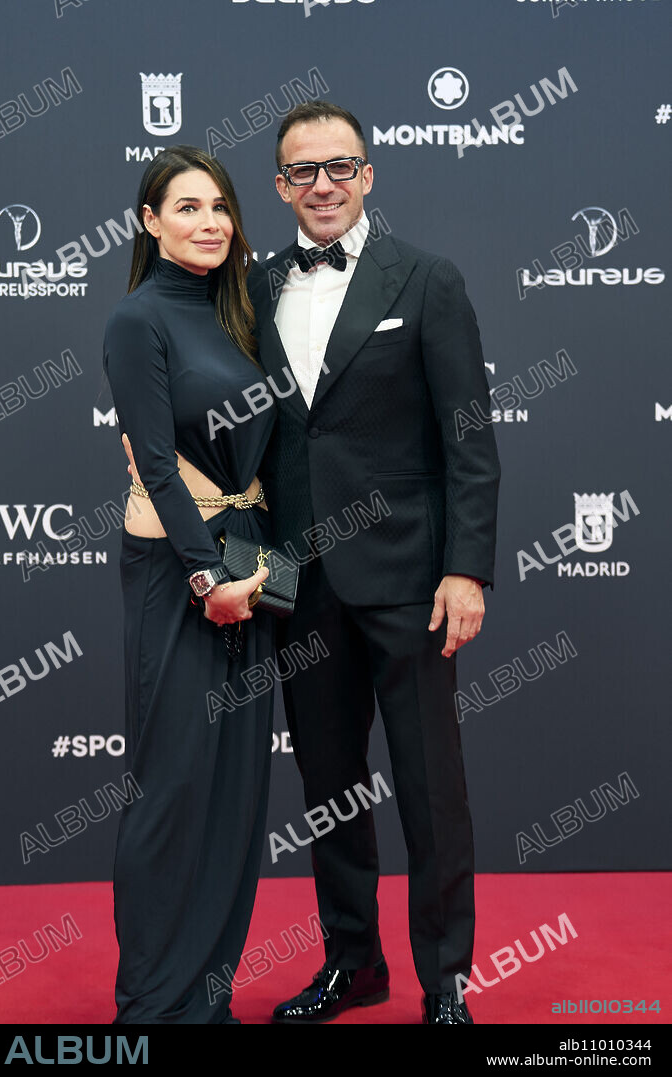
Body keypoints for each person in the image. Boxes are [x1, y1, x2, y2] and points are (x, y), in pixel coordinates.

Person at [248, 102, 501, 1025]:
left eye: (340, 166)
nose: (323, 184)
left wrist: (466, 567)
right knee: (327, 793)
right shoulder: (251, 285)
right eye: (303, 171)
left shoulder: (426, 280)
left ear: (368, 174)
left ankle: (445, 983)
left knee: (432, 790)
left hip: (409, 581)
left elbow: (467, 437)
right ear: (279, 185)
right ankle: (352, 965)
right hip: (298, 585)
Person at [103, 145, 273, 1024]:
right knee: (172, 785)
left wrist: (266, 575)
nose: (208, 221)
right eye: (187, 206)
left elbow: (273, 464)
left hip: (253, 556)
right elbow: (156, 467)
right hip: (182, 569)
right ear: (150, 220)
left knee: (236, 791)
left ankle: (208, 996)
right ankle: (152, 1005)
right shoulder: (139, 320)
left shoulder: (239, 316)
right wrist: (207, 575)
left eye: (219, 207)